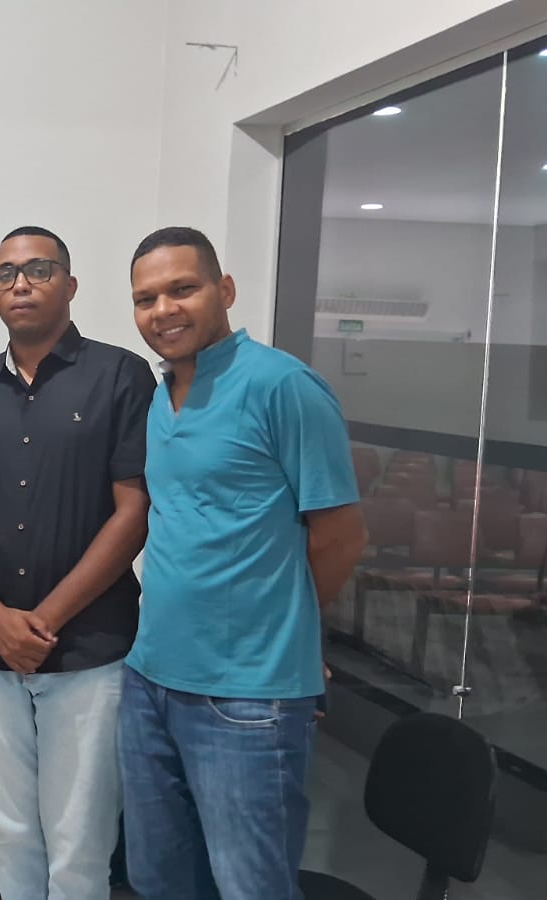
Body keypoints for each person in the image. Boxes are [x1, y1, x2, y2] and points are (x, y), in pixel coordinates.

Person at [119, 226, 367, 900]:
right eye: (146, 298)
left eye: (182, 289)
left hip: (246, 697)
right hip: (149, 680)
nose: (163, 310)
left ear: (224, 290)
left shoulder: (283, 386)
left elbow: (341, 536)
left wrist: (291, 632)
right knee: (158, 879)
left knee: (249, 885)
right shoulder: (161, 395)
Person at [0, 226, 153, 900]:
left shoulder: (120, 376)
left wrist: (46, 619)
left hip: (90, 649)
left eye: (38, 269)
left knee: (80, 842)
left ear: (71, 284)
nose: (20, 283)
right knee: (11, 832)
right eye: (5, 273)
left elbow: (134, 510)